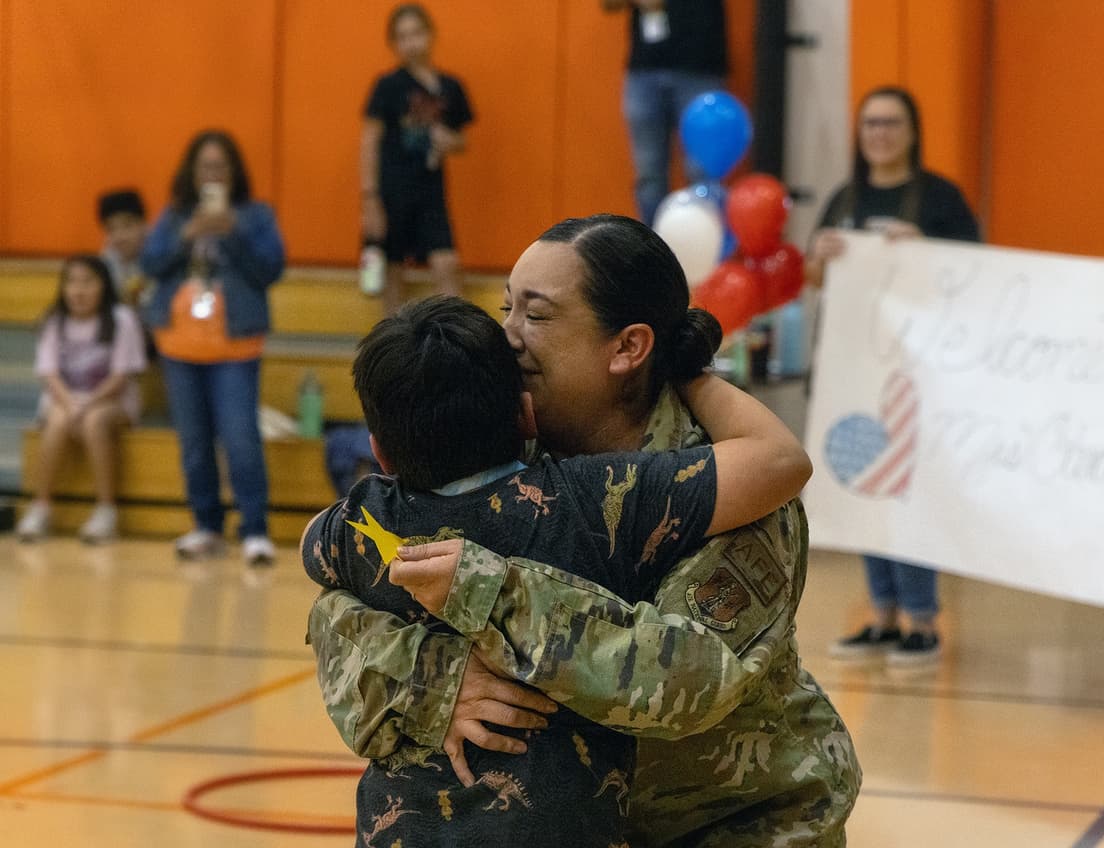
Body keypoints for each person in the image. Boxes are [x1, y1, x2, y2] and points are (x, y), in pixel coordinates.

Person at [309, 214, 860, 846]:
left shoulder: (733, 486)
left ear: (627, 347)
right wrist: (436, 675)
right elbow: (340, 611)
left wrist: (489, 593)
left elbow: (688, 683)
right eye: (506, 307)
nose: (507, 336)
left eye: (537, 316)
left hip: (737, 825)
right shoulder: (496, 439)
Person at [808, 86, 981, 665]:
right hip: (851, 372)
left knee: (911, 497)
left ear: (912, 131)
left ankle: (922, 619)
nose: (879, 133)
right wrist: (820, 257)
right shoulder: (843, 199)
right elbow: (813, 279)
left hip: (915, 375)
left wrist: (927, 251)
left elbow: (978, 274)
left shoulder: (940, 199)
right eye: (870, 124)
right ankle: (880, 615)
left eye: (891, 122)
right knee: (862, 490)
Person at [140, 130, 285, 565]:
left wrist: (234, 234)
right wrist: (186, 234)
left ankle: (254, 530)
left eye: (220, 165)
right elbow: (149, 263)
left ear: (234, 171)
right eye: (205, 165)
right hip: (179, 343)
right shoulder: (174, 215)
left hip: (235, 345)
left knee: (240, 439)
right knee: (194, 443)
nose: (213, 174)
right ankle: (206, 526)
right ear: (192, 171)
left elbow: (270, 269)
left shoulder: (255, 216)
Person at [16, 255, 148, 543]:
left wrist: (87, 403)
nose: (78, 290)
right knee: (58, 419)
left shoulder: (121, 319)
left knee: (94, 420)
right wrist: (72, 403)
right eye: (72, 282)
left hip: (112, 401)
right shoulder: (54, 320)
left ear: (104, 286)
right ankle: (41, 507)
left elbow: (120, 377)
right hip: (65, 399)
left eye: (87, 282)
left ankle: (106, 510)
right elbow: (49, 373)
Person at [360, 3, 472, 315]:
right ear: (394, 43)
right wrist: (369, 198)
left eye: (417, 33)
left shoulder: (450, 86)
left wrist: (452, 141)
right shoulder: (388, 86)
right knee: (393, 272)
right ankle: (394, 353)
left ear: (431, 34)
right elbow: (369, 141)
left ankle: (459, 340)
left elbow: (462, 139)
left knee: (447, 263)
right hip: (392, 191)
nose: (411, 42)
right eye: (403, 36)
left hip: (431, 192)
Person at [602, 0, 727, 226]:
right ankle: (651, 253)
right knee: (649, 178)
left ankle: (706, 252)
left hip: (700, 66)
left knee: (703, 173)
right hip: (644, 69)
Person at [97, 189, 151, 307]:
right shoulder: (105, 264)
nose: (119, 237)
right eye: (111, 229)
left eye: (127, 226)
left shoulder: (163, 257)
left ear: (144, 224)